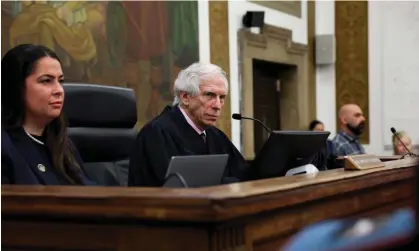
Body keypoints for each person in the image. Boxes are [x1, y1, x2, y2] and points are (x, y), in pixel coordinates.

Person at [128, 62, 248, 187]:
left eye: (222, 97)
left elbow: (244, 173)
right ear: (185, 97)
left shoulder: (215, 135)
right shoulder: (156, 134)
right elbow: (175, 187)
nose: (217, 105)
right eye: (209, 95)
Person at [1, 44, 95, 185]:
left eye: (60, 81)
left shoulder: (61, 142)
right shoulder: (5, 146)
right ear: (16, 86)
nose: (59, 90)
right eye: (46, 81)